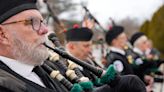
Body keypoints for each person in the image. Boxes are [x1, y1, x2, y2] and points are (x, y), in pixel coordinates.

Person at [0, 0, 64, 92]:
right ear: (3, 34)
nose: (45, 30)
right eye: (32, 22)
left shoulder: (49, 69)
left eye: (42, 22)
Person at [65, 26, 146, 92]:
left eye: (90, 45)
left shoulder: (88, 63)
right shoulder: (64, 68)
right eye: (86, 46)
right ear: (71, 47)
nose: (90, 50)